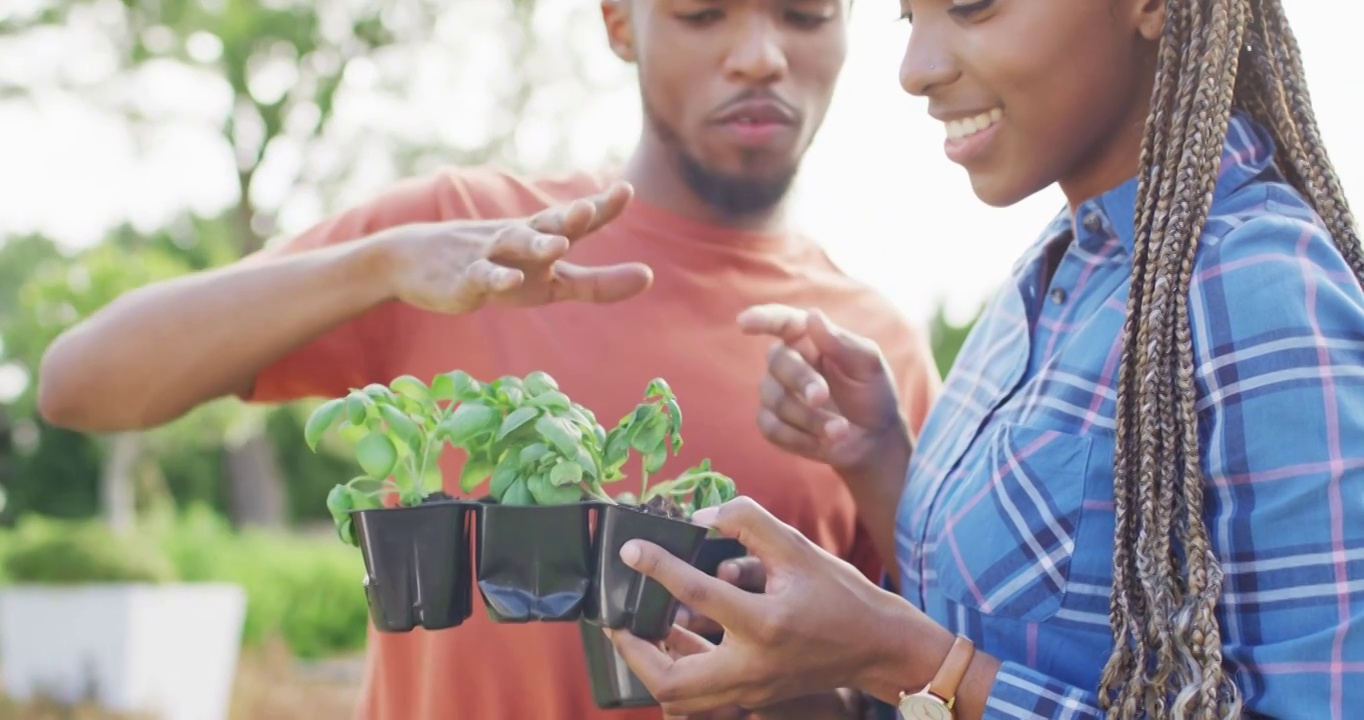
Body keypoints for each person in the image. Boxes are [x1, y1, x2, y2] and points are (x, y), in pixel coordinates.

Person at [34, 0, 940, 719]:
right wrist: (379, 263)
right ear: (620, 23)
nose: (759, 55)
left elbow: (935, 675)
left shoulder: (871, 356)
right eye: (704, 13)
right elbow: (81, 384)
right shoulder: (469, 238)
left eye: (805, 14)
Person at [606, 0, 1364, 718]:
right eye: (910, 15)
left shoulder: (1260, 289)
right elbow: (1014, 633)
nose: (914, 67)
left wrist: (906, 662)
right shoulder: (1053, 273)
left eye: (971, 5)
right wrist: (876, 465)